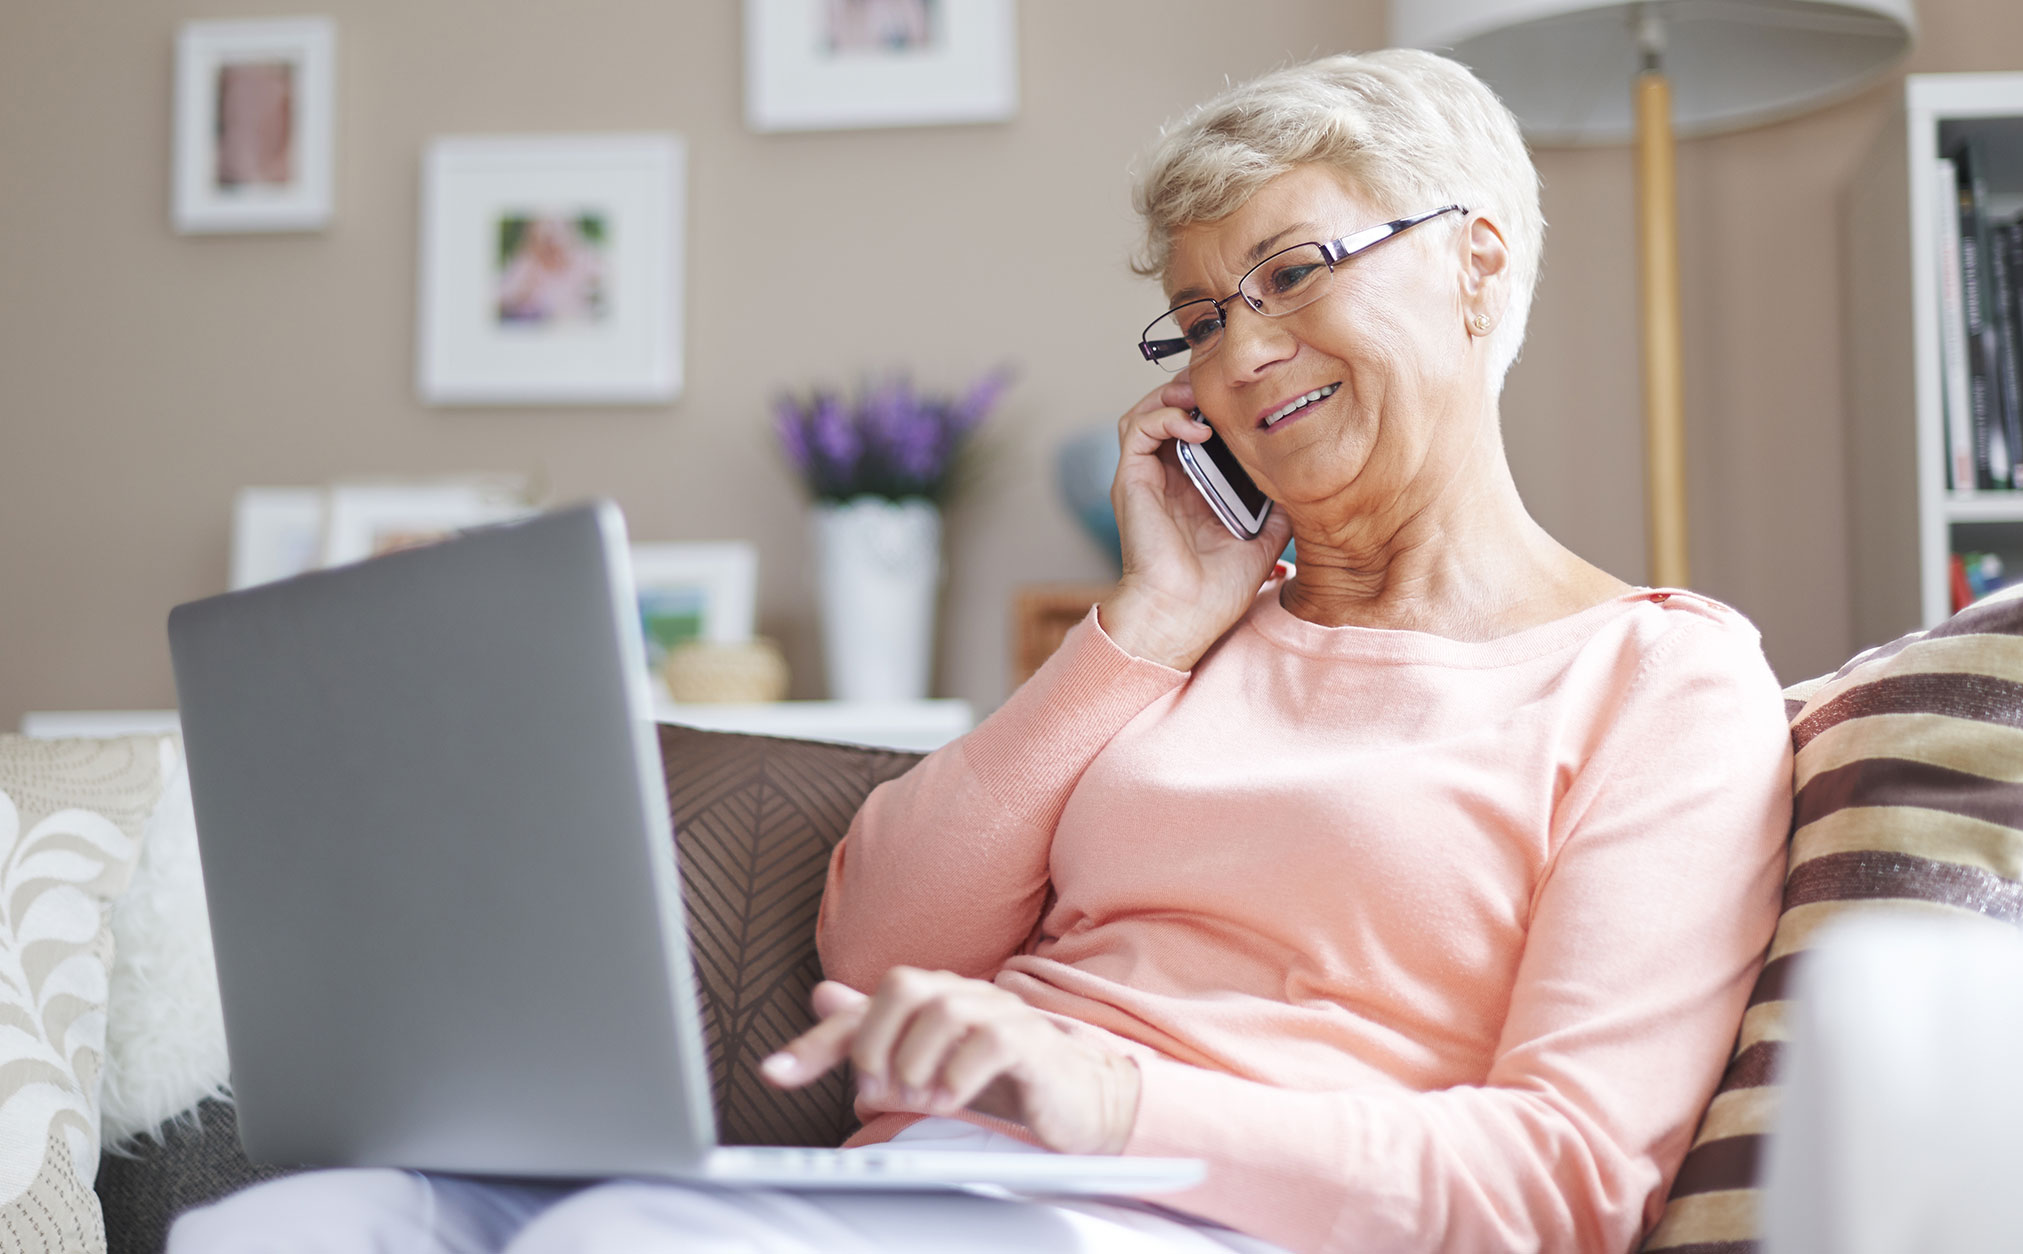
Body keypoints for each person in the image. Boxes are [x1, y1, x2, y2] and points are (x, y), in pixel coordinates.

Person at [169, 48, 1790, 1254]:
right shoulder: (1190, 629)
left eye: (1291, 273)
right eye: (1202, 315)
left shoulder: (1661, 680)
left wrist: (1107, 1104)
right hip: (925, 1179)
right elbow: (875, 945)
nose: (1244, 350)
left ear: (1475, 259)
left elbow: (1567, 1175)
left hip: (1196, 1212)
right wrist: (1149, 621)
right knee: (291, 1224)